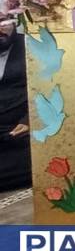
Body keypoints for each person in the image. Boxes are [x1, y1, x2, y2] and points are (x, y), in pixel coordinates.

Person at [0, 19, 31, 191]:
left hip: (20, 130)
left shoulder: (31, 45)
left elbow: (51, 86)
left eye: (2, 21)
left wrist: (30, 120)